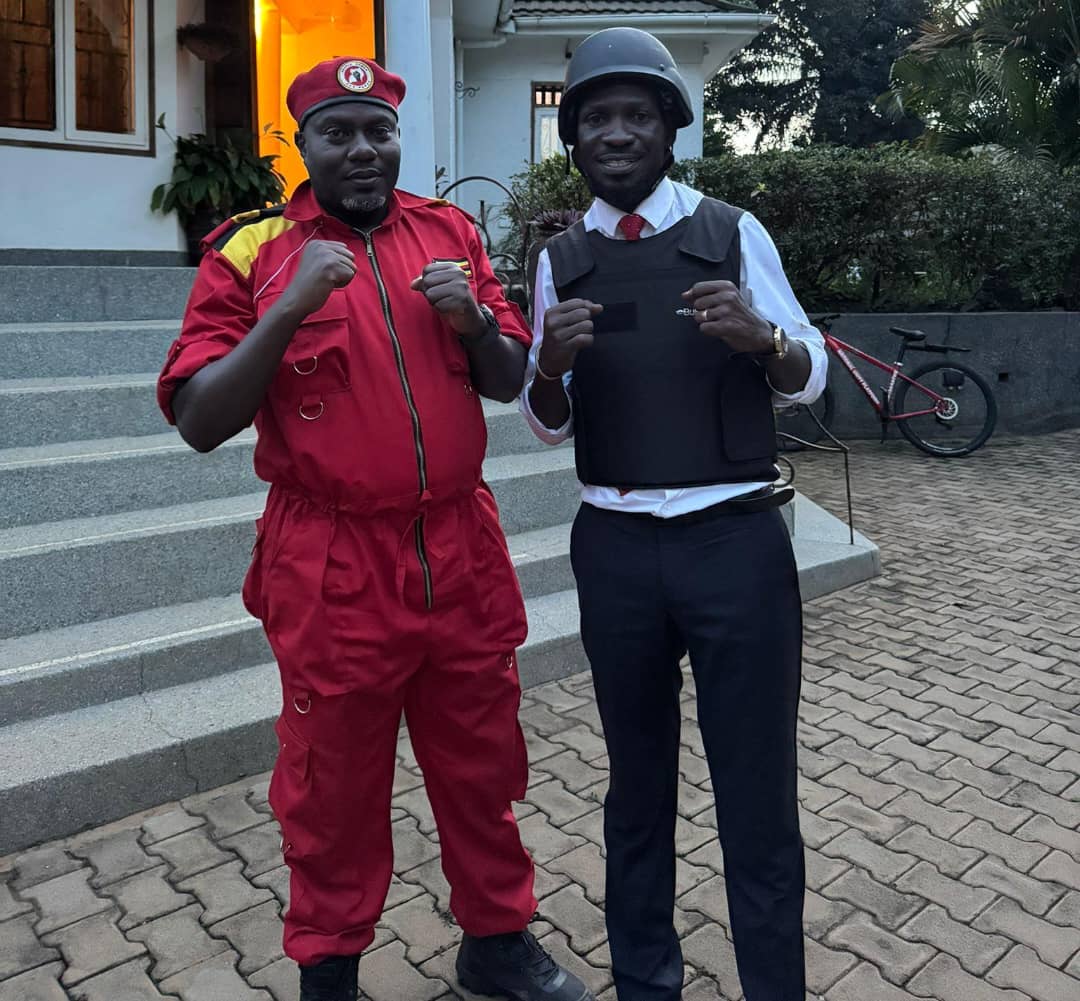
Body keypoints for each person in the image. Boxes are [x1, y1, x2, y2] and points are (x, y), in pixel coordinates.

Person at [157, 56, 595, 1001]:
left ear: (399, 140)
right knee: (332, 784)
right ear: (302, 145)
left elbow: (508, 378)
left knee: (482, 761)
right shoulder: (250, 252)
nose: (362, 150)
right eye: (338, 133)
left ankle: (496, 942)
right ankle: (330, 969)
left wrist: (473, 319)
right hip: (333, 561)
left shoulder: (450, 232)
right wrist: (287, 309)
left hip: (460, 548)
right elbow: (198, 418)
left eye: (378, 131)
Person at [521, 27, 828, 1001]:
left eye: (635, 114)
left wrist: (763, 337)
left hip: (734, 542)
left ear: (669, 126)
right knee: (637, 788)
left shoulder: (732, 232)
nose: (615, 133)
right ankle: (645, 984)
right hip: (615, 548)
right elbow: (544, 420)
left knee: (757, 794)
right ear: (574, 137)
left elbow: (811, 373)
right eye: (595, 118)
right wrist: (549, 366)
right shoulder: (560, 258)